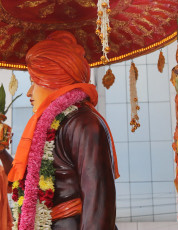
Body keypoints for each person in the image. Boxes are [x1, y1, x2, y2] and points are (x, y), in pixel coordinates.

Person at [7, 31, 119, 229]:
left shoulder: (82, 122)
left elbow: (99, 198)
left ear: (55, 80)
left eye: (34, 82)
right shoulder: (53, 124)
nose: (29, 93)